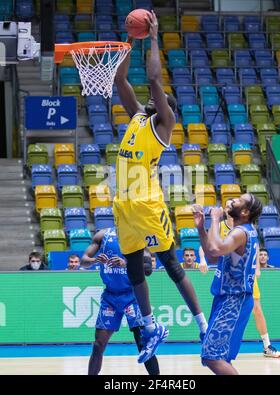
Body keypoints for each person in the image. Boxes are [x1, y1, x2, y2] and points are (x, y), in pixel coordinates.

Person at [113, 10, 208, 364]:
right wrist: (128, 41)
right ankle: (151, 326)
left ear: (168, 109)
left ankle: (202, 325)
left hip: (148, 203)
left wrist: (153, 37)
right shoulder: (139, 115)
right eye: (158, 96)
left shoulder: (163, 125)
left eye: (164, 97)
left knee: (170, 263)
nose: (158, 95)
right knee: (134, 268)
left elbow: (154, 78)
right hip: (123, 205)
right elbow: (121, 81)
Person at [193, 194, 263, 375]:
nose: (232, 201)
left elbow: (216, 248)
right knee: (221, 358)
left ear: (245, 212)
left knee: (212, 356)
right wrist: (201, 229)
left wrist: (215, 218)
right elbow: (211, 255)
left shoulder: (240, 232)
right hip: (229, 299)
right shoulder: (243, 231)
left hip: (234, 300)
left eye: (238, 200)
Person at [81, 227, 160, 376]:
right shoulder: (103, 235)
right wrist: (94, 260)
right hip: (110, 297)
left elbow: (148, 269)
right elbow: (83, 261)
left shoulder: (137, 235)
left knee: (143, 344)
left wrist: (126, 264)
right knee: (98, 345)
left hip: (132, 296)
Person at [220, 200, 280, 358]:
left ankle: (267, 346)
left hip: (246, 275)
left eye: (233, 204)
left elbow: (255, 247)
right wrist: (202, 259)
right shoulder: (221, 227)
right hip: (228, 278)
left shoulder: (246, 228)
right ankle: (220, 346)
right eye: (228, 205)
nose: (230, 206)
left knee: (257, 309)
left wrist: (256, 267)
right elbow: (207, 247)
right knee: (225, 311)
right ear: (224, 209)